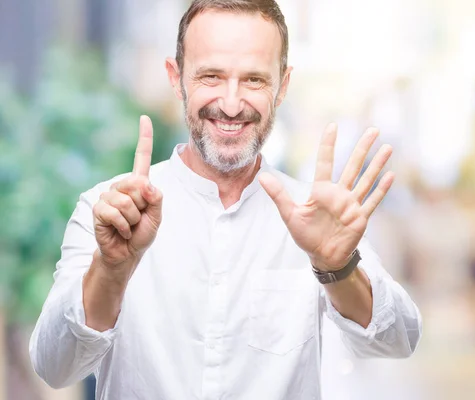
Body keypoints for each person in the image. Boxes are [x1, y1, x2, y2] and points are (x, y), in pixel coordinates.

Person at [29, 1, 422, 399]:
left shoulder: (312, 215)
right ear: (176, 76)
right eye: (211, 76)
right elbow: (55, 367)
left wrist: (337, 268)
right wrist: (110, 270)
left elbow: (398, 339)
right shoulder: (109, 211)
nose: (232, 104)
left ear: (282, 85)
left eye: (253, 80)